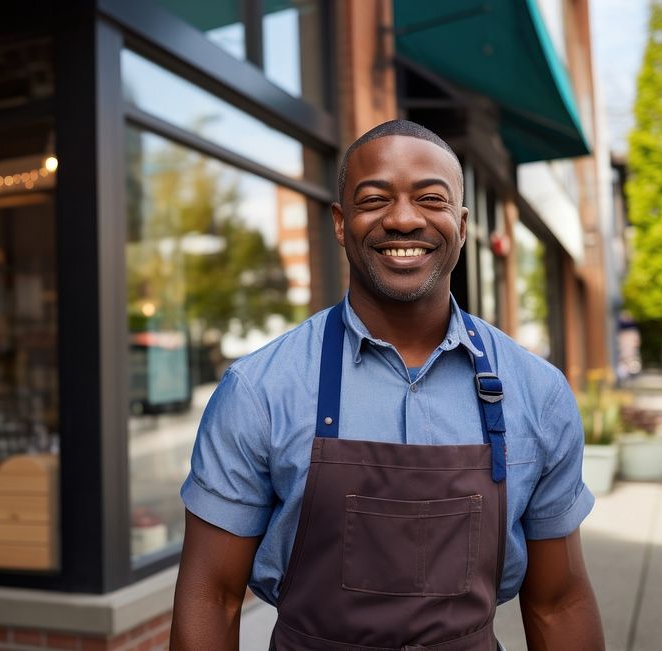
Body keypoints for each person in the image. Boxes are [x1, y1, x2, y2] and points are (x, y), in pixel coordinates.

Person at [171, 119, 605, 650]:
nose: (402, 219)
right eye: (375, 199)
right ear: (340, 221)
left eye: (431, 199)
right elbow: (210, 597)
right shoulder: (258, 391)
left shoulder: (539, 394)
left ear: (462, 225)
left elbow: (559, 602)